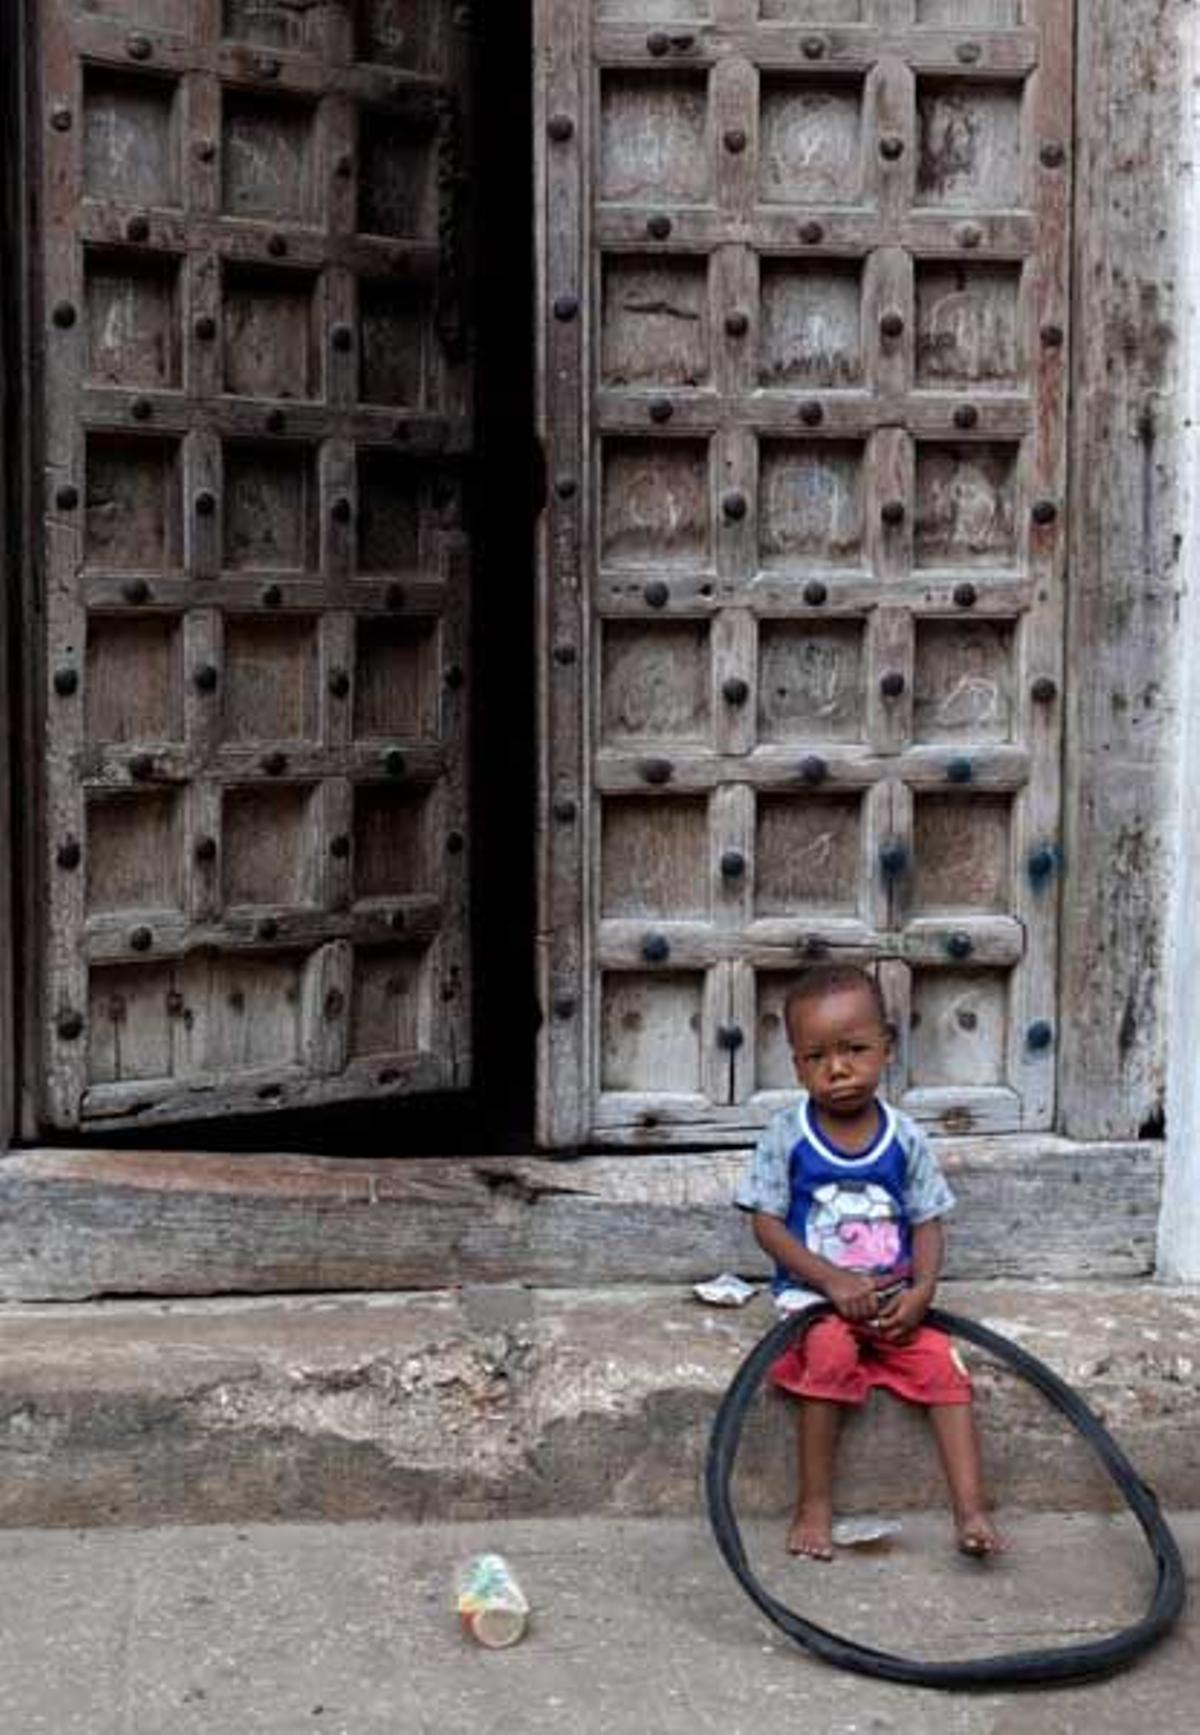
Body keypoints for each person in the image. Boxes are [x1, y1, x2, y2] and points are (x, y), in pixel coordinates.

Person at [734, 962, 1003, 1562]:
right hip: (816, 1303)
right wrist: (829, 1280)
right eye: (817, 1057)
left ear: (886, 1046)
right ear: (796, 1064)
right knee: (828, 1353)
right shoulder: (788, 1135)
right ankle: (814, 1505)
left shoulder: (904, 1137)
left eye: (855, 1049)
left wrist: (923, 1290)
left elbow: (927, 1222)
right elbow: (766, 1223)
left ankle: (971, 1510)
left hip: (893, 1303)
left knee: (945, 1367)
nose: (838, 1069)